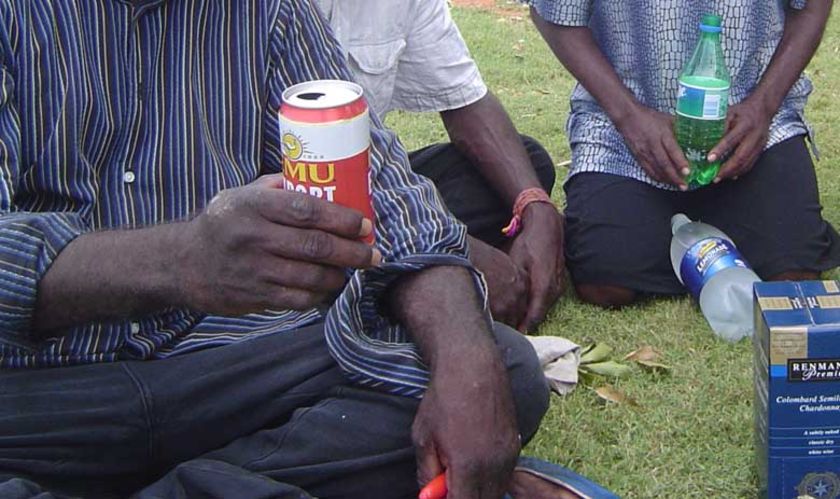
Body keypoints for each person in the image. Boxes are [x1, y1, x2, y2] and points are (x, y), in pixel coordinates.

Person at [0, 1, 582, 498]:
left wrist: (463, 355)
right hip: (36, 387)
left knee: (497, 368)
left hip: (213, 356)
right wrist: (179, 259)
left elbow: (391, 192)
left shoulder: (266, 11)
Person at [527, 0, 840, 307]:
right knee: (605, 281)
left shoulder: (760, 111)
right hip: (623, 126)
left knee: (794, 270)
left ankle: (721, 232)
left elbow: (813, 5)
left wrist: (763, 106)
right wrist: (629, 117)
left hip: (752, 122)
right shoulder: (626, 121)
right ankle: (710, 237)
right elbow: (551, 11)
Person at [313, 0, 565, 332]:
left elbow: (463, 98)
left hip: (375, 188)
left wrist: (535, 206)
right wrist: (455, 246)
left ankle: (395, 267)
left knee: (526, 164)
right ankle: (396, 275)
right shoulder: (254, 15)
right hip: (287, 203)